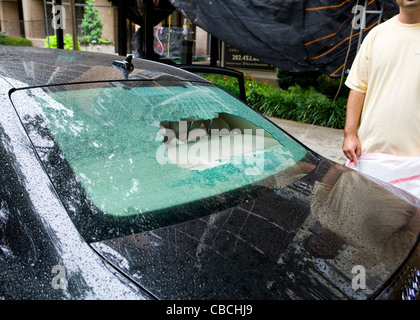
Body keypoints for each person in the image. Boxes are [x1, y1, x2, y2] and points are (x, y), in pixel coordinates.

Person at [342, 0, 420, 199]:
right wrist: (350, 134)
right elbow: (358, 87)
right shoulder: (377, 35)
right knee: (362, 225)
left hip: (417, 160)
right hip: (371, 155)